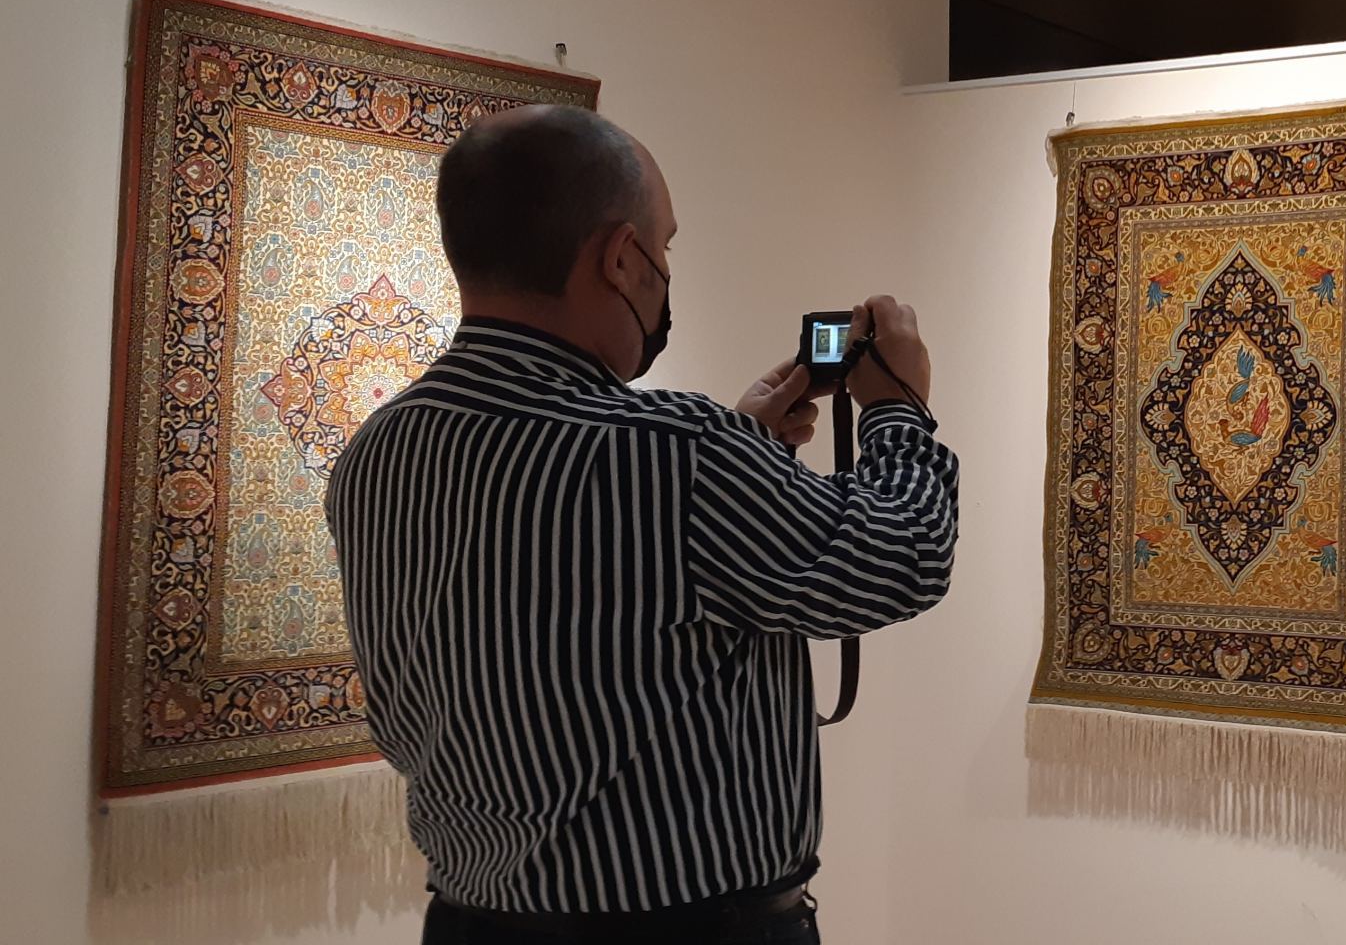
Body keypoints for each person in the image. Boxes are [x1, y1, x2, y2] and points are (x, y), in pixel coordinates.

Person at [325, 104, 960, 944]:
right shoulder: (680, 453)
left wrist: (742, 448)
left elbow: (573, 596)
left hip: (471, 922)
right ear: (621, 259)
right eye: (663, 247)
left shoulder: (378, 448)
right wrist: (897, 409)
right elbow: (903, 555)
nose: (662, 272)